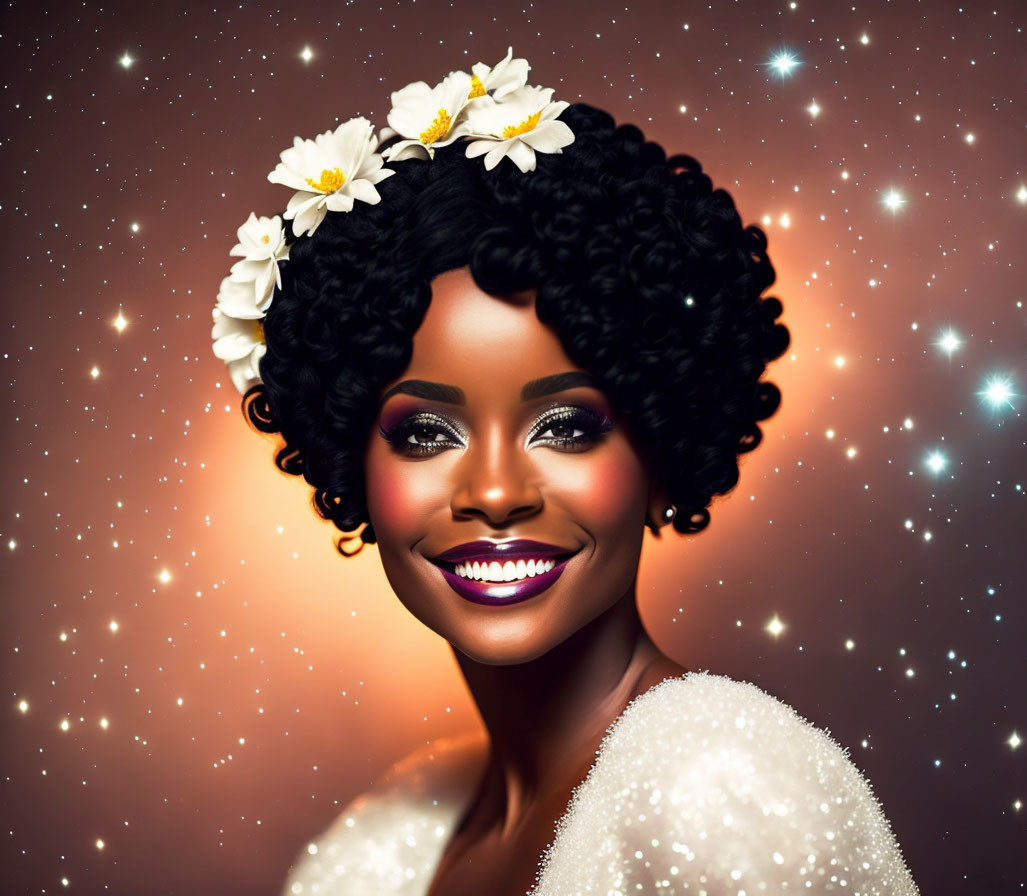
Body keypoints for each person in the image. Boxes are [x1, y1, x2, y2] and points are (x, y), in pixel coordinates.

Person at [211, 50, 919, 896]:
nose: (497, 492)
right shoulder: (384, 848)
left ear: (661, 449)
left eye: (567, 426)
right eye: (427, 431)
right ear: (349, 461)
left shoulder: (722, 793)